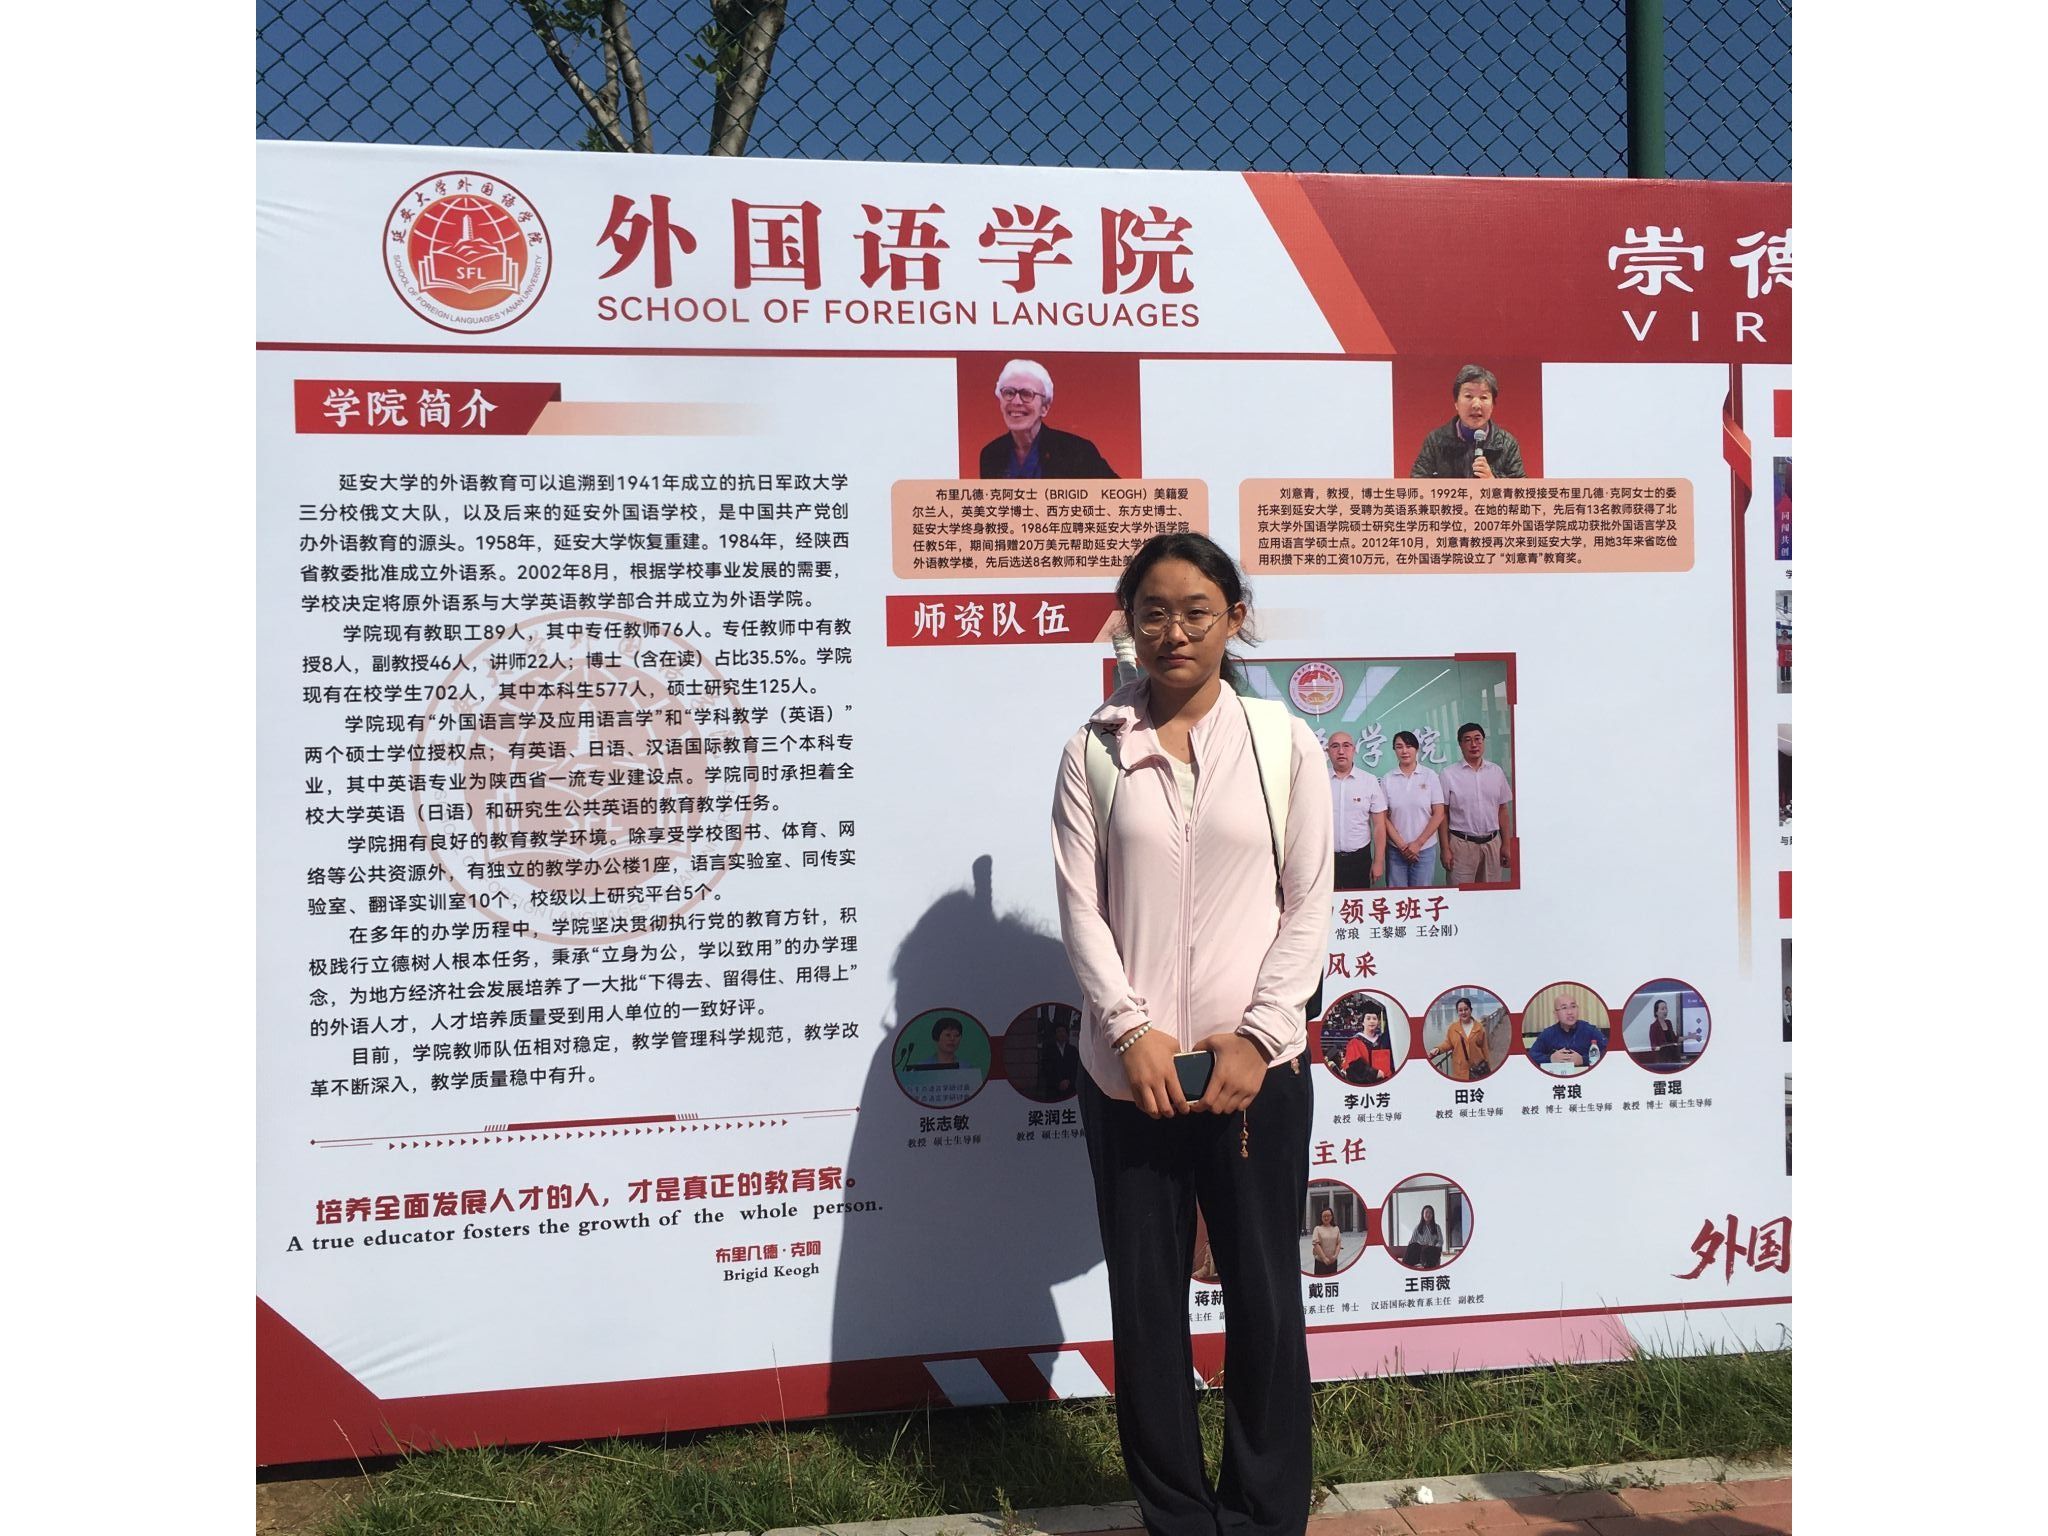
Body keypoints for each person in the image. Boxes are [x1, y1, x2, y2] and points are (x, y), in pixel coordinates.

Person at [1052, 530, 1332, 1536]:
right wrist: (1129, 1032)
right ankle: (1175, 1515)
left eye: (1196, 612)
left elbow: (1309, 903)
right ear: (1127, 624)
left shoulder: (1282, 744)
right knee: (1145, 1307)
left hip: (1254, 1075)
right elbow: (1080, 908)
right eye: (1153, 613)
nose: (1173, 632)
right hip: (1129, 1076)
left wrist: (1259, 1037)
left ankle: (1263, 1512)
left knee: (1264, 1300)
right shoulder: (1093, 749)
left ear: (1233, 619)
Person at [978, 359, 1116, 478]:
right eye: (1009, 392)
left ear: (1045, 407)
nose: (1016, 401)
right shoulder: (991, 454)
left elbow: (1117, 495)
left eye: (1027, 394)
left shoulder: (1077, 452)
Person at [1409, 364, 1526, 479]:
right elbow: (1417, 482)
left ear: (1492, 405)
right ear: (1456, 403)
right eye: (1469, 396)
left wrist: (1493, 481)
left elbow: (1521, 488)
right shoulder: (1435, 441)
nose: (1476, 405)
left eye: (1483, 397)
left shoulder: (1507, 444)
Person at [1440, 722, 1513, 884]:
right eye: (1467, 740)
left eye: (1478, 739)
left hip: (1493, 844)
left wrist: (1506, 845)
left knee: (1490, 894)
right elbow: (1442, 814)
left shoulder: (1496, 771)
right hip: (1461, 846)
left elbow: (1502, 810)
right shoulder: (1448, 774)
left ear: (1483, 741)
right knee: (1460, 894)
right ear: (1460, 744)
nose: (1474, 744)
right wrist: (1445, 848)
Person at [1379, 730, 1445, 888]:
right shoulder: (1388, 779)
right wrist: (1402, 846)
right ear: (1394, 750)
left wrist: (1418, 844)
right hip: (1396, 850)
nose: (1404, 751)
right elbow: (1383, 817)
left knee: (1422, 896)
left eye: (1409, 746)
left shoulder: (1430, 776)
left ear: (1417, 749)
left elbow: (1439, 813)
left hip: (1425, 849)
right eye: (1399, 747)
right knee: (1396, 897)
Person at [1327, 730, 1386, 890]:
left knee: (1357, 904)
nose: (1341, 751)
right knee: (1327, 904)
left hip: (1359, 859)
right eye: (1335, 746)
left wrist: (1378, 861)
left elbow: (1379, 826)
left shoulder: (1369, 781)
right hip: (1327, 860)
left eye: (1346, 746)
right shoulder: (1319, 780)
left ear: (1354, 750)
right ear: (1328, 751)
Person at [1529, 994, 1604, 1073]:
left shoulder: (1589, 1030)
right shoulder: (1548, 1034)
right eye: (1564, 1008)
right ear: (1556, 1014)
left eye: (1573, 1006)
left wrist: (1583, 1060)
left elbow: (1607, 1052)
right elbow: (1531, 1056)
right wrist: (1550, 1058)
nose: (1570, 1012)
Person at [1431, 994, 1493, 1081]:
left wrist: (1488, 1067)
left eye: (1466, 1009)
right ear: (1457, 1012)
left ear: (1471, 1010)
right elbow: (1448, 1043)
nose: (1463, 1012)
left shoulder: (1479, 1027)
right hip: (1460, 1071)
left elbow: (1484, 1048)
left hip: (1478, 1069)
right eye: (1460, 1010)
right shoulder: (1453, 1028)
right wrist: (1438, 1049)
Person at [1339, 1001, 1395, 1085]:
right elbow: (1353, 1067)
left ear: (1378, 1022)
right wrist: (1375, 1073)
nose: (1371, 1021)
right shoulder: (1355, 1042)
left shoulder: (1383, 1040)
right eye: (1368, 1018)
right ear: (1363, 1022)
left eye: (1374, 1019)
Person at [1038, 1015, 1082, 1100]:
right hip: (1053, 1090)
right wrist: (1058, 1082)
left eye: (1063, 1031)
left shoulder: (1073, 1050)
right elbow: (1046, 1069)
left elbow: (1077, 1068)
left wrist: (1069, 1081)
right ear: (1055, 1034)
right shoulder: (1048, 1050)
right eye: (1059, 1031)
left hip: (1071, 1089)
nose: (1061, 1034)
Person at [1401, 1204, 1445, 1270]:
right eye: (1426, 1212)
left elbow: (1440, 1241)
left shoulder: (1437, 1227)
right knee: (1413, 1246)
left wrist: (1434, 1246)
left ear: (1432, 1215)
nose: (1428, 1214)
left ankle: (1426, 1266)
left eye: (1430, 1213)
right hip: (1420, 1250)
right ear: (1423, 1214)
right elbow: (1412, 1241)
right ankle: (1404, 1267)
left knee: (1429, 1250)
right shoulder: (1418, 1227)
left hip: (1432, 1249)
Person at [1645, 999, 1682, 1067]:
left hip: (1674, 1058)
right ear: (1656, 1012)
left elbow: (1675, 1039)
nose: (1665, 1011)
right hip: (1663, 1060)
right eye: (1662, 1009)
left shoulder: (1668, 1023)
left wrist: (1688, 1037)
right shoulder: (1653, 1026)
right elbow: (1653, 1045)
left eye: (1666, 1008)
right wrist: (1659, 1047)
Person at [1311, 1207, 1342, 1276]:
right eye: (1324, 1216)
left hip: (1333, 1262)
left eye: (1328, 1216)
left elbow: (1338, 1243)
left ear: (1332, 1216)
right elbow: (1316, 1244)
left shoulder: (1336, 1228)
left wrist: (1335, 1256)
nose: (1326, 1218)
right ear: (1321, 1217)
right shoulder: (1317, 1228)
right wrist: (1324, 1258)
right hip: (1320, 1262)